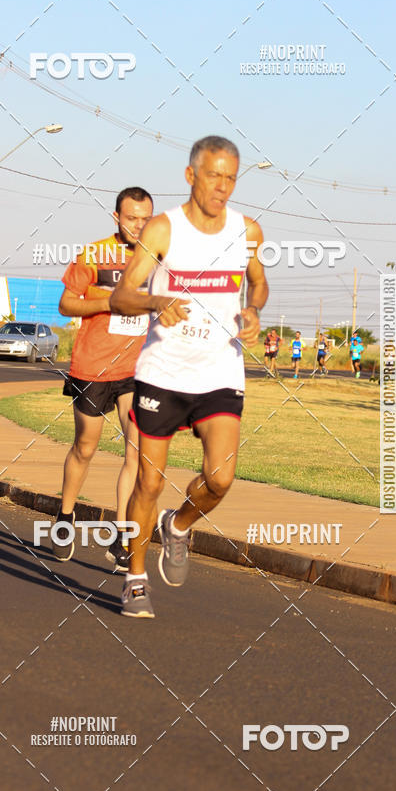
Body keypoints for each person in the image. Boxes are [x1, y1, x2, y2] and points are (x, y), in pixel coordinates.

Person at [110, 134, 269, 618]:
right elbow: (121, 296)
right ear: (191, 175)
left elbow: (258, 284)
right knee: (149, 483)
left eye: (230, 178)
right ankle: (135, 580)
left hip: (220, 368)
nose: (222, 186)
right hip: (164, 371)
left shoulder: (248, 231)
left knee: (220, 479)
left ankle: (177, 527)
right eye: (214, 175)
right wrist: (157, 301)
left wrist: (254, 310)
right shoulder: (163, 230)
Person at [55, 187, 154, 566]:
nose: (139, 225)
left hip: (135, 371)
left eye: (145, 219)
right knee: (86, 447)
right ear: (116, 217)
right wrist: (109, 303)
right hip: (93, 367)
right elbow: (66, 304)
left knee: (138, 450)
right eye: (132, 218)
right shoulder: (94, 254)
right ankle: (65, 517)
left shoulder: (156, 259)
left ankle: (122, 538)